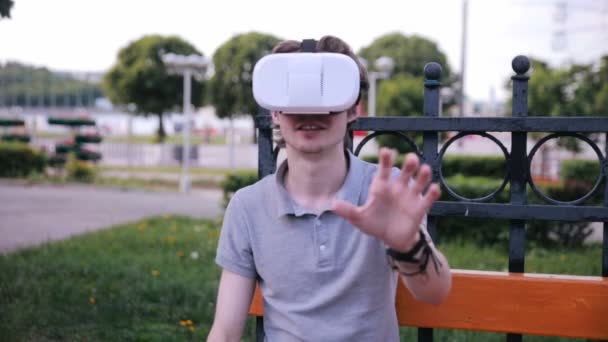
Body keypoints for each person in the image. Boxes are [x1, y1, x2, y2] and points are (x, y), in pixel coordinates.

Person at [207, 35, 452, 342]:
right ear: (274, 112)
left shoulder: (385, 191)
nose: (310, 113)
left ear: (353, 110)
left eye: (328, 101)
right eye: (295, 100)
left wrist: (409, 245)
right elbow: (226, 331)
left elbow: (435, 293)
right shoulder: (248, 207)